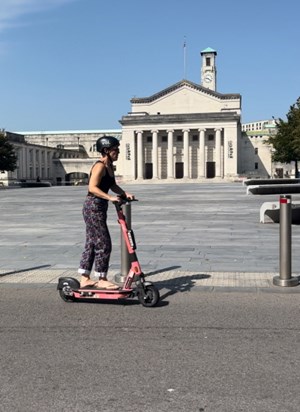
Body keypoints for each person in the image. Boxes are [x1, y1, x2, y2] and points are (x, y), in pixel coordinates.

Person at [78, 136, 134, 289]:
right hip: (93, 206)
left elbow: (112, 185)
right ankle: (102, 278)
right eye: (116, 149)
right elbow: (92, 188)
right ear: (106, 150)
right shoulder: (100, 166)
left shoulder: (109, 167)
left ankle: (84, 278)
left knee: (92, 242)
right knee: (104, 243)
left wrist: (124, 194)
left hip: (99, 206)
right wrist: (110, 197)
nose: (118, 152)